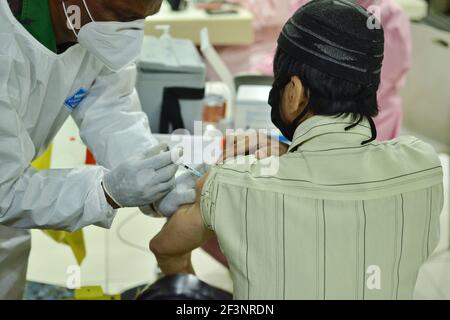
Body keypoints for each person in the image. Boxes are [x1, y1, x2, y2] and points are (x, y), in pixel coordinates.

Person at [150, 0, 444, 299]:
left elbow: (165, 249)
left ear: (294, 93)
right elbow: (342, 183)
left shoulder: (230, 184)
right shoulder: (425, 164)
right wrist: (291, 153)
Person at [0, 0, 195, 299]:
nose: (130, 32)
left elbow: (111, 107)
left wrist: (155, 176)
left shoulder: (91, 26)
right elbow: (4, 191)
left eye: (144, 18)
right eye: (121, 15)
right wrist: (104, 192)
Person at [218, 0, 411, 141]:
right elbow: (291, 50)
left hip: (368, 117)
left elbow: (379, 80)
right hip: (312, 110)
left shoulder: (388, 14)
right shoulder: (314, 6)